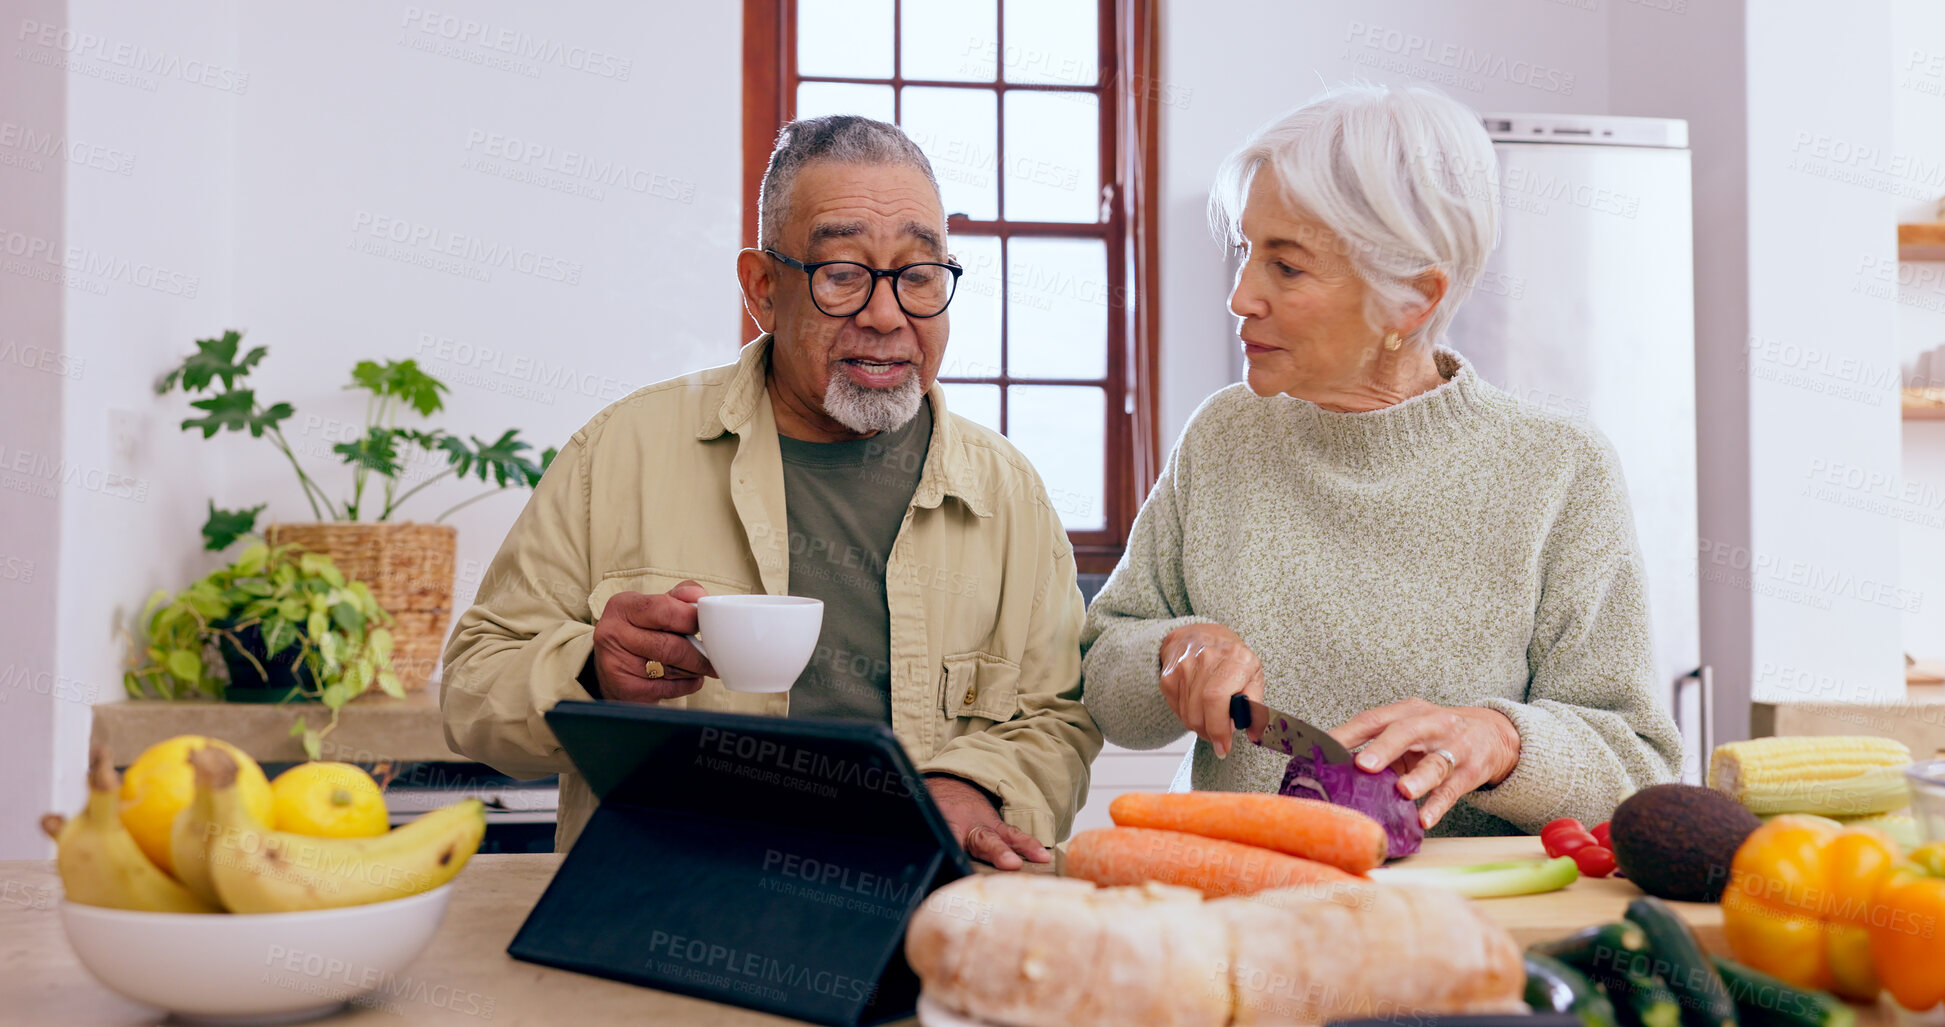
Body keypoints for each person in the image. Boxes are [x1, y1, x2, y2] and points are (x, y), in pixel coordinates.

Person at [443, 115, 1101, 866]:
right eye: (843, 274)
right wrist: (591, 669)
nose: (886, 315)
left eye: (918, 275)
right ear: (763, 288)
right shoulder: (621, 450)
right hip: (668, 913)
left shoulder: (1007, 493)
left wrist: (971, 785)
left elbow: (1060, 717)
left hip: (916, 919)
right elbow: (471, 690)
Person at [1081, 84, 1681, 836]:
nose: (1239, 296)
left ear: (1412, 301)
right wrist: (1171, 650)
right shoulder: (1225, 434)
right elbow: (1105, 667)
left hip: (1465, 922)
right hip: (1241, 900)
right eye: (1245, 250)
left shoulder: (1559, 468)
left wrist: (1501, 739)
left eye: (1285, 267)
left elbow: (1638, 764)